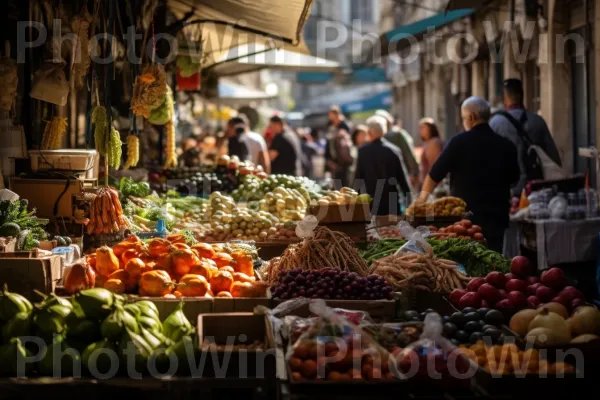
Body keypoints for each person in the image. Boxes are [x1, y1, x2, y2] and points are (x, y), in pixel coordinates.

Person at [416, 97, 520, 252]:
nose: (464, 122)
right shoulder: (506, 145)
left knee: (469, 258)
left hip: (466, 218)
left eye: (464, 118)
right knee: (494, 258)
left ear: (471, 118)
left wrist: (421, 201)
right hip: (497, 216)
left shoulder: (458, 142)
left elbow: (434, 175)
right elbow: (514, 178)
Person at [489, 78, 562, 196]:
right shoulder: (537, 121)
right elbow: (554, 158)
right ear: (522, 95)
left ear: (505, 97)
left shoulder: (495, 123)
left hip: (506, 189)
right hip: (535, 188)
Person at [355, 116, 411, 216]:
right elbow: (403, 179)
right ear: (383, 131)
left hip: (371, 202)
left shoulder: (363, 151)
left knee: (373, 231)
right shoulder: (394, 150)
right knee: (393, 231)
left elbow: (358, 179)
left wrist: (355, 201)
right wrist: (410, 202)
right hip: (392, 202)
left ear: (370, 133)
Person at [376, 110, 419, 190]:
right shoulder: (374, 139)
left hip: (401, 176)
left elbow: (409, 154)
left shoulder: (397, 134)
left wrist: (413, 173)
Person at [325, 105, 353, 187]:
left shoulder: (344, 126)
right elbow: (328, 143)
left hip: (342, 160)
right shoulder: (329, 125)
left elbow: (347, 145)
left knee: (343, 183)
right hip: (332, 158)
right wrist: (328, 159)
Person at [418, 118, 443, 188]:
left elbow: (435, 165)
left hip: (432, 184)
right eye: (420, 128)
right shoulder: (427, 143)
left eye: (423, 128)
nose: (420, 131)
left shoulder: (434, 143)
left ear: (431, 129)